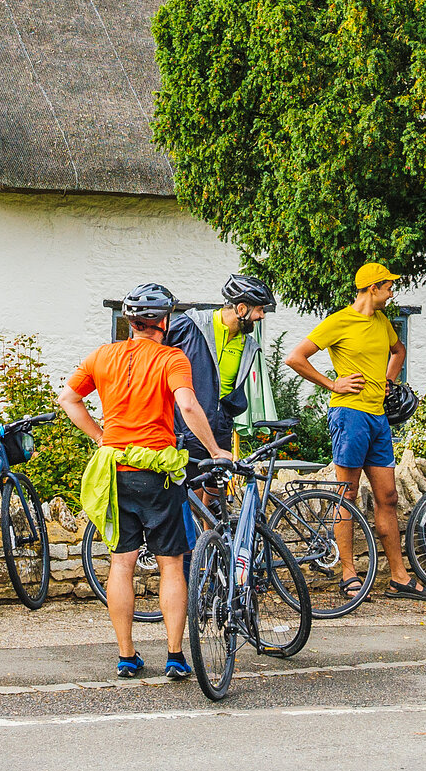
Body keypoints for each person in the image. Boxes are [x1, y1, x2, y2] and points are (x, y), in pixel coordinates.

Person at [63, 283, 226, 680]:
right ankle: (174, 656)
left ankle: (126, 656)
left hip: (116, 471)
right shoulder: (172, 358)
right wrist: (215, 449)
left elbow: (68, 399)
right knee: (171, 564)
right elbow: (188, 405)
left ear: (130, 321)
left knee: (122, 563)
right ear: (164, 321)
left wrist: (101, 437)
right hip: (157, 473)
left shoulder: (102, 355)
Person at [284, 263, 426, 601]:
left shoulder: (382, 322)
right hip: (349, 415)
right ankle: (349, 574)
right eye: (388, 287)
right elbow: (295, 358)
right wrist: (331, 383)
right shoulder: (339, 321)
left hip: (378, 417)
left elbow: (399, 351)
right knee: (347, 495)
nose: (392, 293)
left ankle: (399, 578)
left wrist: (388, 381)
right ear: (372, 288)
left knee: (389, 497)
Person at [164, 273, 274, 463]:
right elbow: (153, 357)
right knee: (193, 482)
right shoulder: (191, 326)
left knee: (218, 482)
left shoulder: (248, 346)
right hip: (184, 430)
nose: (262, 316)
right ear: (241, 309)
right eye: (260, 310)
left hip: (220, 431)